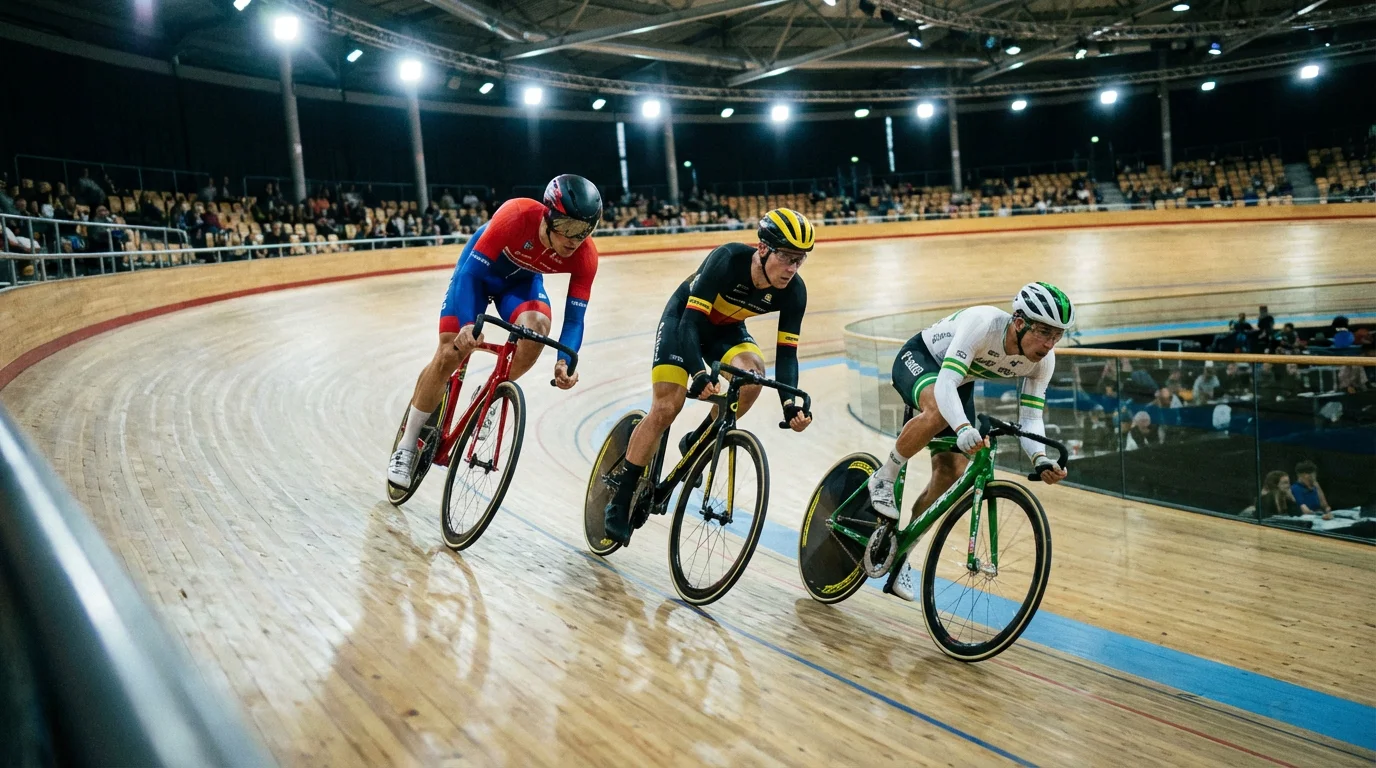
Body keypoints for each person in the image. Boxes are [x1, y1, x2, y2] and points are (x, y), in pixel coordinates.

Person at [600, 209, 816, 545]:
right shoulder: (727, 259)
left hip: (726, 332)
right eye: (787, 257)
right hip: (683, 322)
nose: (792, 268)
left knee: (753, 379)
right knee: (667, 407)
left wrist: (790, 403)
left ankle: (697, 439)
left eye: (799, 260)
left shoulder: (795, 291)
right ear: (763, 248)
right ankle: (621, 496)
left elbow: (787, 354)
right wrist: (699, 373)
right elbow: (690, 324)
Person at [386, 175, 603, 489]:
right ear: (548, 216)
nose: (574, 239)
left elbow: (574, 320)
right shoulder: (516, 215)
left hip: (519, 285)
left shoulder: (585, 256)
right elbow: (471, 274)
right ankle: (407, 446)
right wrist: (466, 325)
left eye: (584, 230)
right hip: (477, 275)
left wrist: (564, 362)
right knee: (450, 353)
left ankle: (490, 391)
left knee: (539, 330)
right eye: (568, 227)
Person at [867, 283, 1073, 601]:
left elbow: (1031, 417)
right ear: (1020, 322)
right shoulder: (983, 324)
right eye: (1044, 332)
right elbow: (945, 382)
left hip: (959, 381)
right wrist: (963, 427)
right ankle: (884, 476)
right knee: (939, 414)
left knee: (951, 473)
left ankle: (903, 553)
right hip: (922, 359)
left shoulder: (1043, 361)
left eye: (1057, 335)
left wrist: (1041, 459)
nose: (1049, 343)